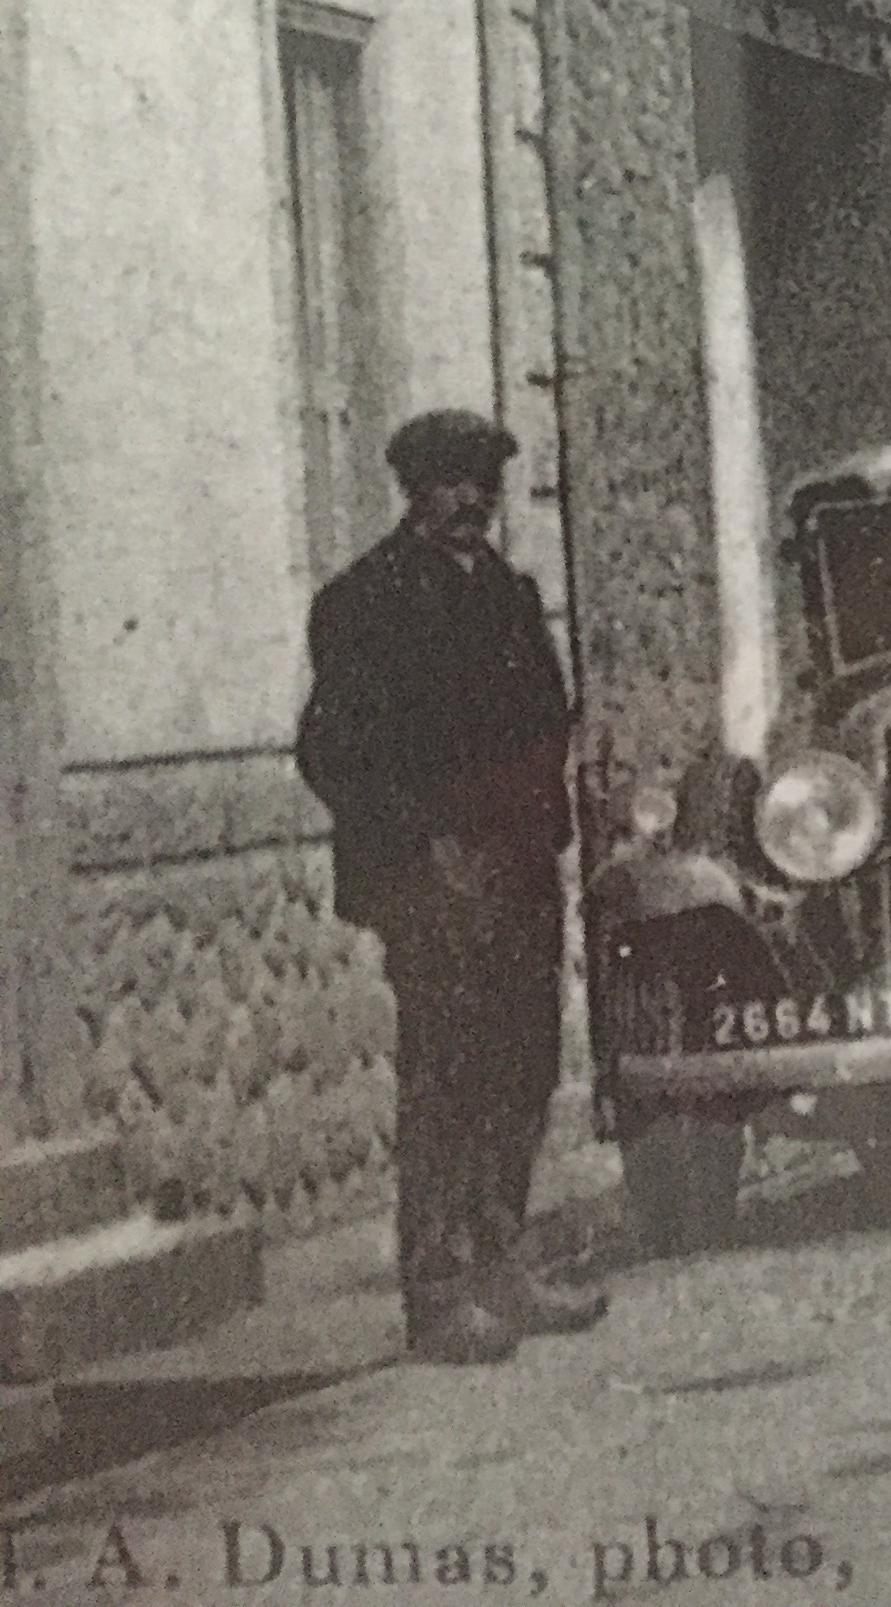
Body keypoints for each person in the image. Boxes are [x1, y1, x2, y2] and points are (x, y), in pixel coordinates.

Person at [294, 410, 606, 1365]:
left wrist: (542, 833)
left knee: (523, 1066)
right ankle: (436, 1293)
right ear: (413, 490)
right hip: (429, 879)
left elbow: (547, 720)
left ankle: (501, 1265)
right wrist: (424, 847)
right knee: (446, 1078)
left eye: (485, 483)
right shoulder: (364, 601)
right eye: (450, 482)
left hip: (518, 871)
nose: (472, 500)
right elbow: (330, 750)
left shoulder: (511, 596)